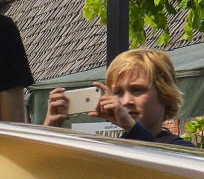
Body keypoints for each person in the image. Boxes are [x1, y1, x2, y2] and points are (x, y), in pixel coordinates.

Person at [46, 48, 192, 146]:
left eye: (137, 90)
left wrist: (131, 126)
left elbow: (155, 163)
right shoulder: (112, 149)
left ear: (165, 94)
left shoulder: (182, 149)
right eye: (118, 93)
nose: (126, 101)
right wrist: (48, 133)